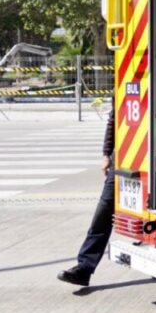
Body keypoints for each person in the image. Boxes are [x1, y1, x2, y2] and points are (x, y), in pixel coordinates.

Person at [58, 103, 115, 287]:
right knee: (104, 210)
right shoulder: (126, 81)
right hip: (127, 158)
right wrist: (106, 153)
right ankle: (85, 267)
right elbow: (114, 119)